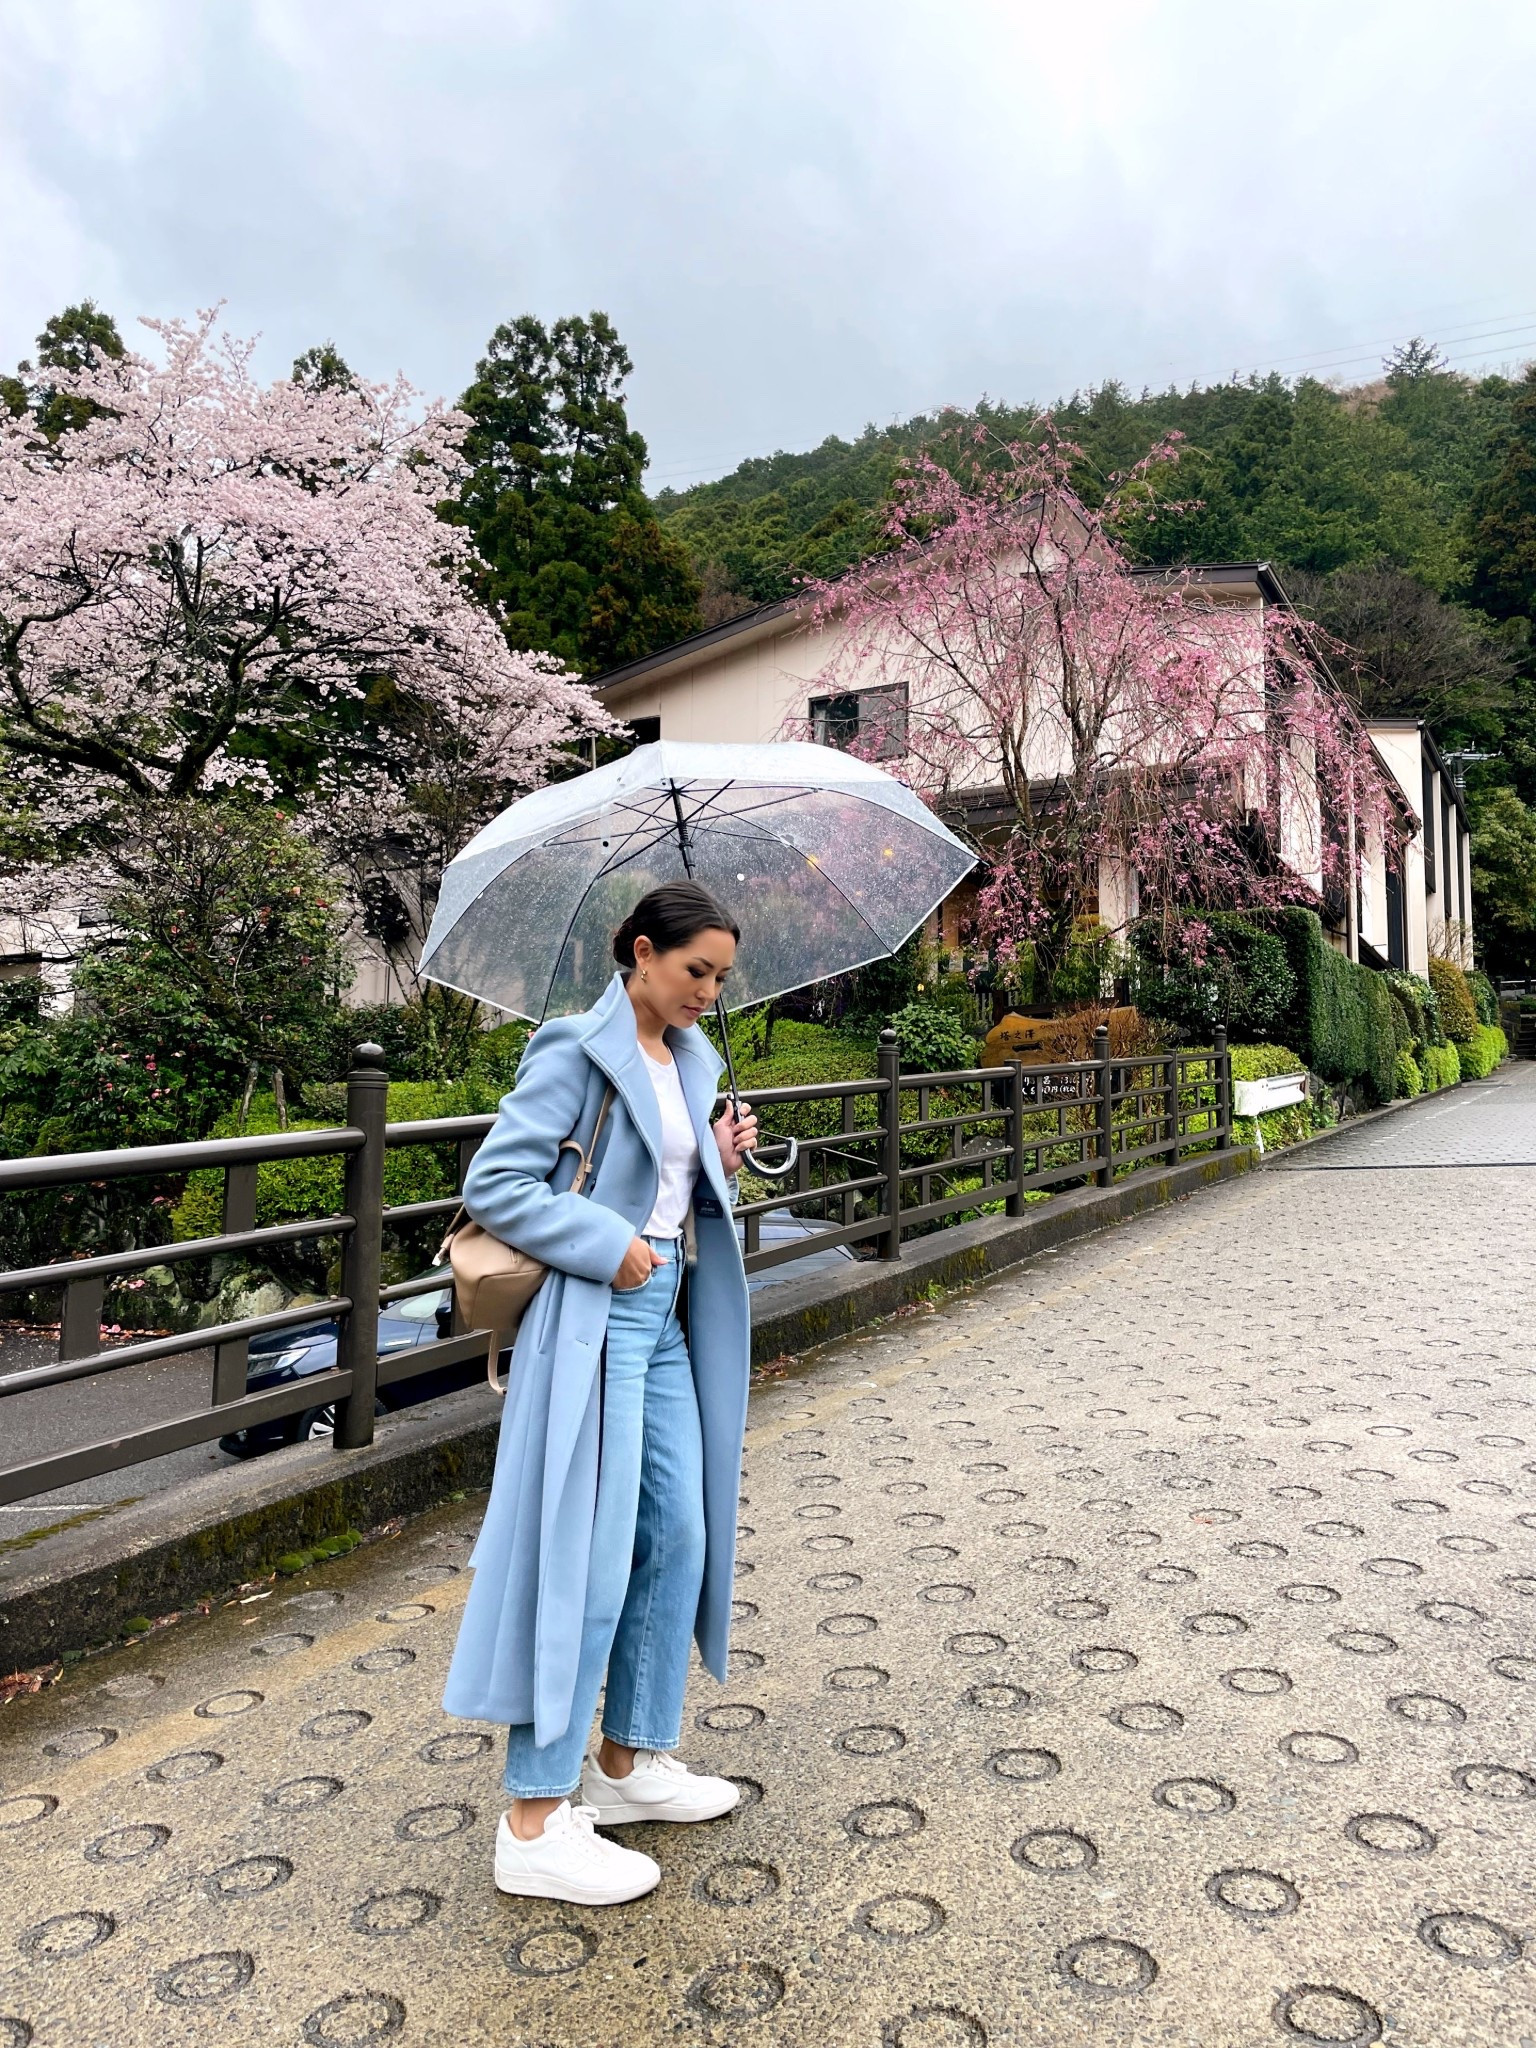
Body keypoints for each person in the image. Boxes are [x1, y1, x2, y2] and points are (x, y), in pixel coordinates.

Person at [440, 880, 759, 1906]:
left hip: (667, 1312)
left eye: (719, 974)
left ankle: (627, 1764)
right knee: (583, 1554)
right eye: (694, 969)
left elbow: (663, 1186)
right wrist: (606, 1241)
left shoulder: (690, 1056)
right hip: (599, 1319)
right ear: (639, 951)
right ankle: (534, 1816)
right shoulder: (573, 1050)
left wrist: (715, 1159)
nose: (709, 990)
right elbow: (498, 1183)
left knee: (677, 1535)